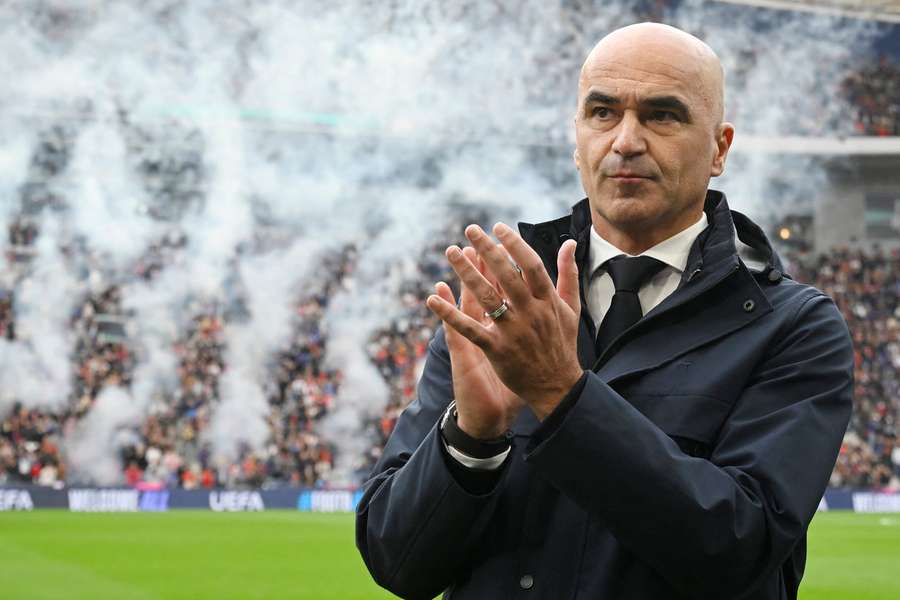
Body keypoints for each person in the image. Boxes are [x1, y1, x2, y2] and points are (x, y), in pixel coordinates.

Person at [356, 22, 853, 600]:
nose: (625, 140)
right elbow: (396, 564)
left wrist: (561, 395)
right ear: (577, 139)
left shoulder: (792, 326)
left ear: (719, 148)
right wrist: (471, 441)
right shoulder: (502, 309)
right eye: (603, 112)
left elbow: (740, 551)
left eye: (663, 115)